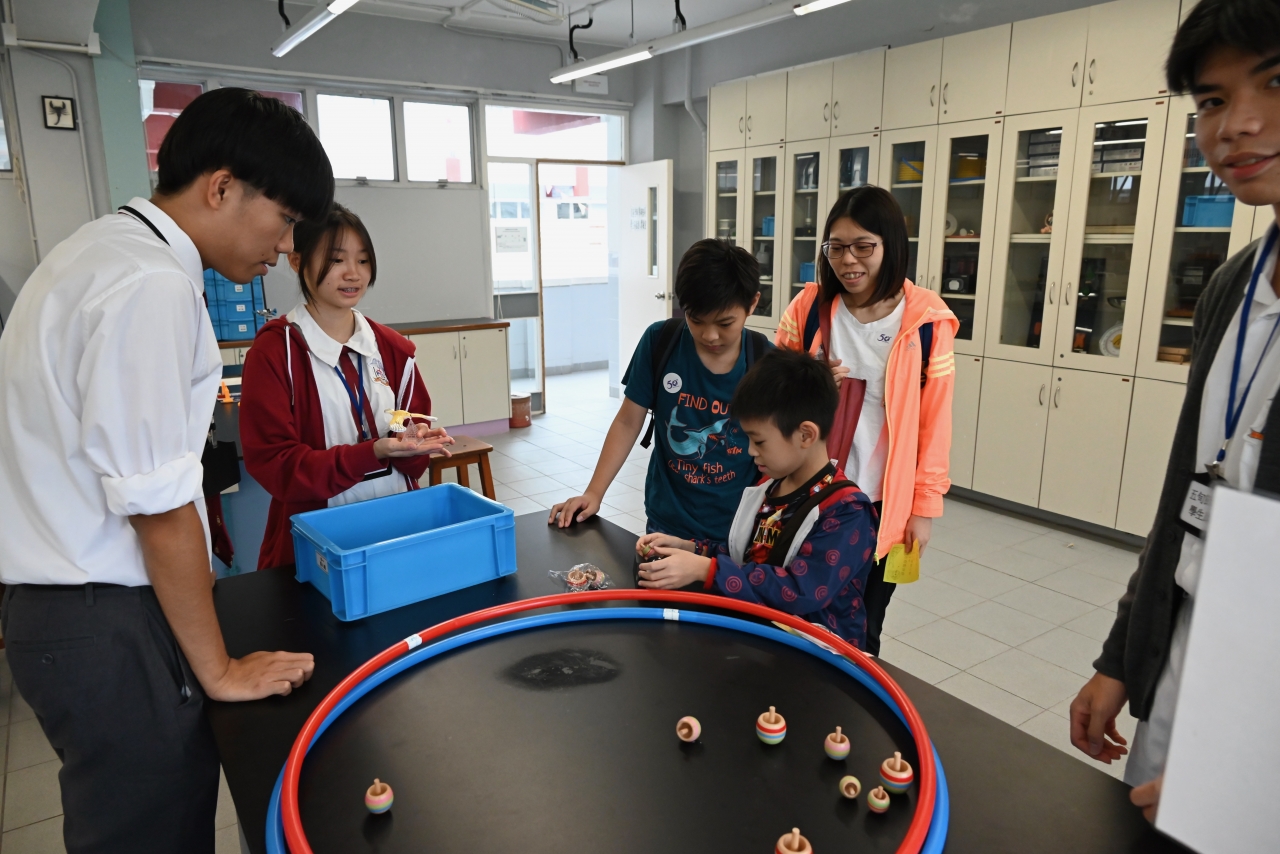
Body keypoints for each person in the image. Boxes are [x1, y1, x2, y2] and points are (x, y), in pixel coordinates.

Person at [0, 88, 324, 853]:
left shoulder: (95, 251)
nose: (285, 248)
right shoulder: (151, 283)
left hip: (62, 613)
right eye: (283, 220)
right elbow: (158, 505)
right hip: (105, 621)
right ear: (222, 187)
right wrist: (219, 669)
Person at [1068, 0, 1280, 823]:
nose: (1236, 124)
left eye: (1273, 82)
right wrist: (1124, 655)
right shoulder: (1233, 286)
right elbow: (1186, 500)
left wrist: (1249, 773)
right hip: (1189, 653)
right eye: (1212, 99)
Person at [774, 186, 958, 655]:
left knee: (862, 630)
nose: (848, 260)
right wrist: (809, 379)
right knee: (792, 616)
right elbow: (768, 394)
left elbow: (934, 425)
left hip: (877, 505)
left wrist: (923, 510)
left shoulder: (926, 321)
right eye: (836, 247)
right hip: (810, 495)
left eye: (863, 247)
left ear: (889, 245)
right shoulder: (809, 309)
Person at [240, 204, 452, 570]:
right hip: (316, 544)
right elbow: (276, 466)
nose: (353, 273)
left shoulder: (393, 349)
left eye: (363, 260)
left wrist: (411, 442)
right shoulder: (277, 352)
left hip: (396, 529)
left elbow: (408, 444)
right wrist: (373, 452)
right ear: (297, 261)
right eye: (336, 259)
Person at [635, 349, 878, 646]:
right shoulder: (769, 489)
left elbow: (802, 590)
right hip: (758, 640)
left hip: (817, 655)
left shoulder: (847, 511)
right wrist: (693, 548)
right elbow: (747, 555)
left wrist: (705, 569)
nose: (750, 451)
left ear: (805, 435)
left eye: (759, 441)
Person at [548, 239, 771, 545]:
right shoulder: (660, 341)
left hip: (735, 530)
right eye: (696, 320)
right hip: (667, 522)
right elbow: (628, 421)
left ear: (753, 303)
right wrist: (594, 492)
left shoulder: (765, 362)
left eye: (725, 323)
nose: (710, 335)